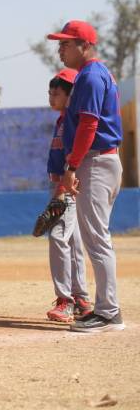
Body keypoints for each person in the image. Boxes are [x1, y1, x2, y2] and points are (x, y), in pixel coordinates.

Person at [47, 20, 124, 333]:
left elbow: (89, 126)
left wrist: (72, 166)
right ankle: (107, 310)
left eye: (66, 43)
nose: (60, 49)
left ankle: (108, 313)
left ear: (84, 45)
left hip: (95, 162)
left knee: (96, 240)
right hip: (98, 161)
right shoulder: (89, 75)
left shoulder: (91, 75)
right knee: (94, 238)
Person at [43, 68, 92, 322]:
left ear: (71, 94)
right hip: (62, 184)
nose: (51, 97)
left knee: (59, 236)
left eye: (57, 93)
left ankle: (65, 300)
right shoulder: (62, 120)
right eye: (49, 92)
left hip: (69, 185)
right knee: (72, 243)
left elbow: (74, 156)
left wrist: (61, 189)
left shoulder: (72, 120)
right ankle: (81, 299)